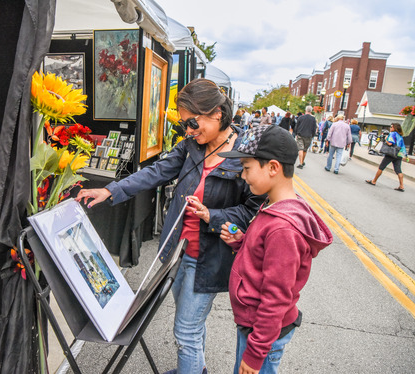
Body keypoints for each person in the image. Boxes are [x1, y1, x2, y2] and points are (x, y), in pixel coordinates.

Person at [76, 78, 264, 374]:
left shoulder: (244, 154)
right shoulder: (192, 146)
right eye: (184, 126)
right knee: (192, 325)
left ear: (217, 113)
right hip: (176, 250)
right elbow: (156, 172)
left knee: (186, 332)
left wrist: (210, 216)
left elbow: (251, 211)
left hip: (207, 257)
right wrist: (110, 190)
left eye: (192, 123)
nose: (188, 131)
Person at [218, 125, 333, 374]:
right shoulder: (275, 205)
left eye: (247, 168)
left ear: (272, 167)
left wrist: (256, 353)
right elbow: (264, 257)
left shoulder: (283, 228)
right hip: (258, 329)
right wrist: (241, 242)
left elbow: (275, 296)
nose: (243, 176)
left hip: (262, 337)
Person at [365, 122, 407, 192]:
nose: (390, 128)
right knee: (398, 170)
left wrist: (386, 139)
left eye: (391, 127)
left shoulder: (392, 134)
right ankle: (401, 185)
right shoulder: (400, 135)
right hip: (399, 154)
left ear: (394, 128)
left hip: (391, 153)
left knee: (381, 167)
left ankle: (374, 181)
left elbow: (390, 143)